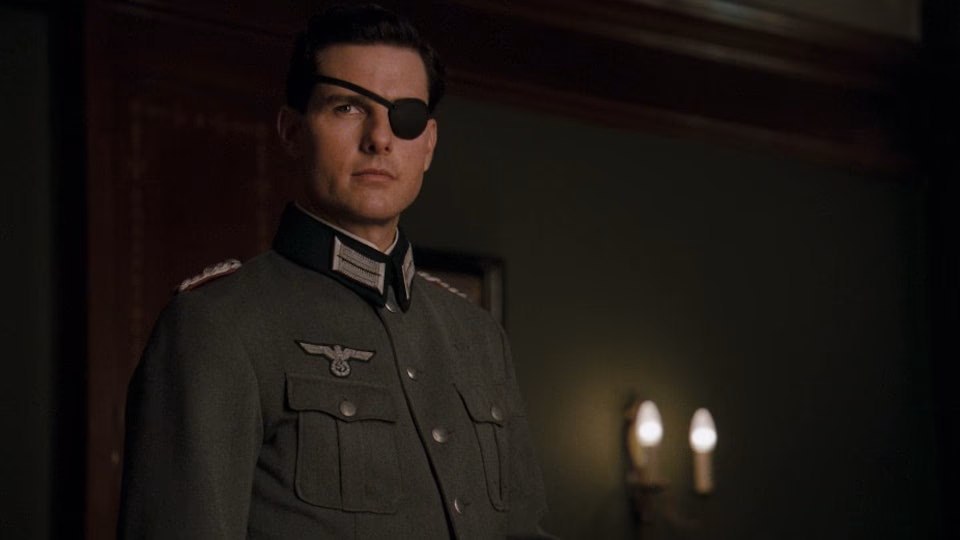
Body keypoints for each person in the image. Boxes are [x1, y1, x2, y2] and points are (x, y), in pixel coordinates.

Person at [117, 4, 551, 539]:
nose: (380, 138)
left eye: (405, 115)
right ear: (292, 130)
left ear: (428, 145)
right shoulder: (217, 325)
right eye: (348, 107)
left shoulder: (480, 338)